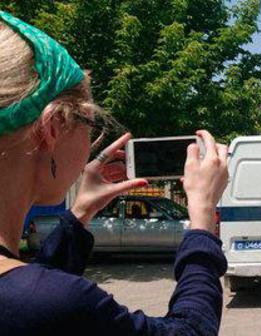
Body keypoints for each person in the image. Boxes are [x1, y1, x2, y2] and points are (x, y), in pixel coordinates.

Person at [0, 11, 228, 336]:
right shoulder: (53, 302)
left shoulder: (28, 299)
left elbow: (26, 293)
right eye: (90, 123)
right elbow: (191, 331)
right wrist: (203, 218)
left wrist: (79, 214)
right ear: (53, 126)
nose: (92, 141)